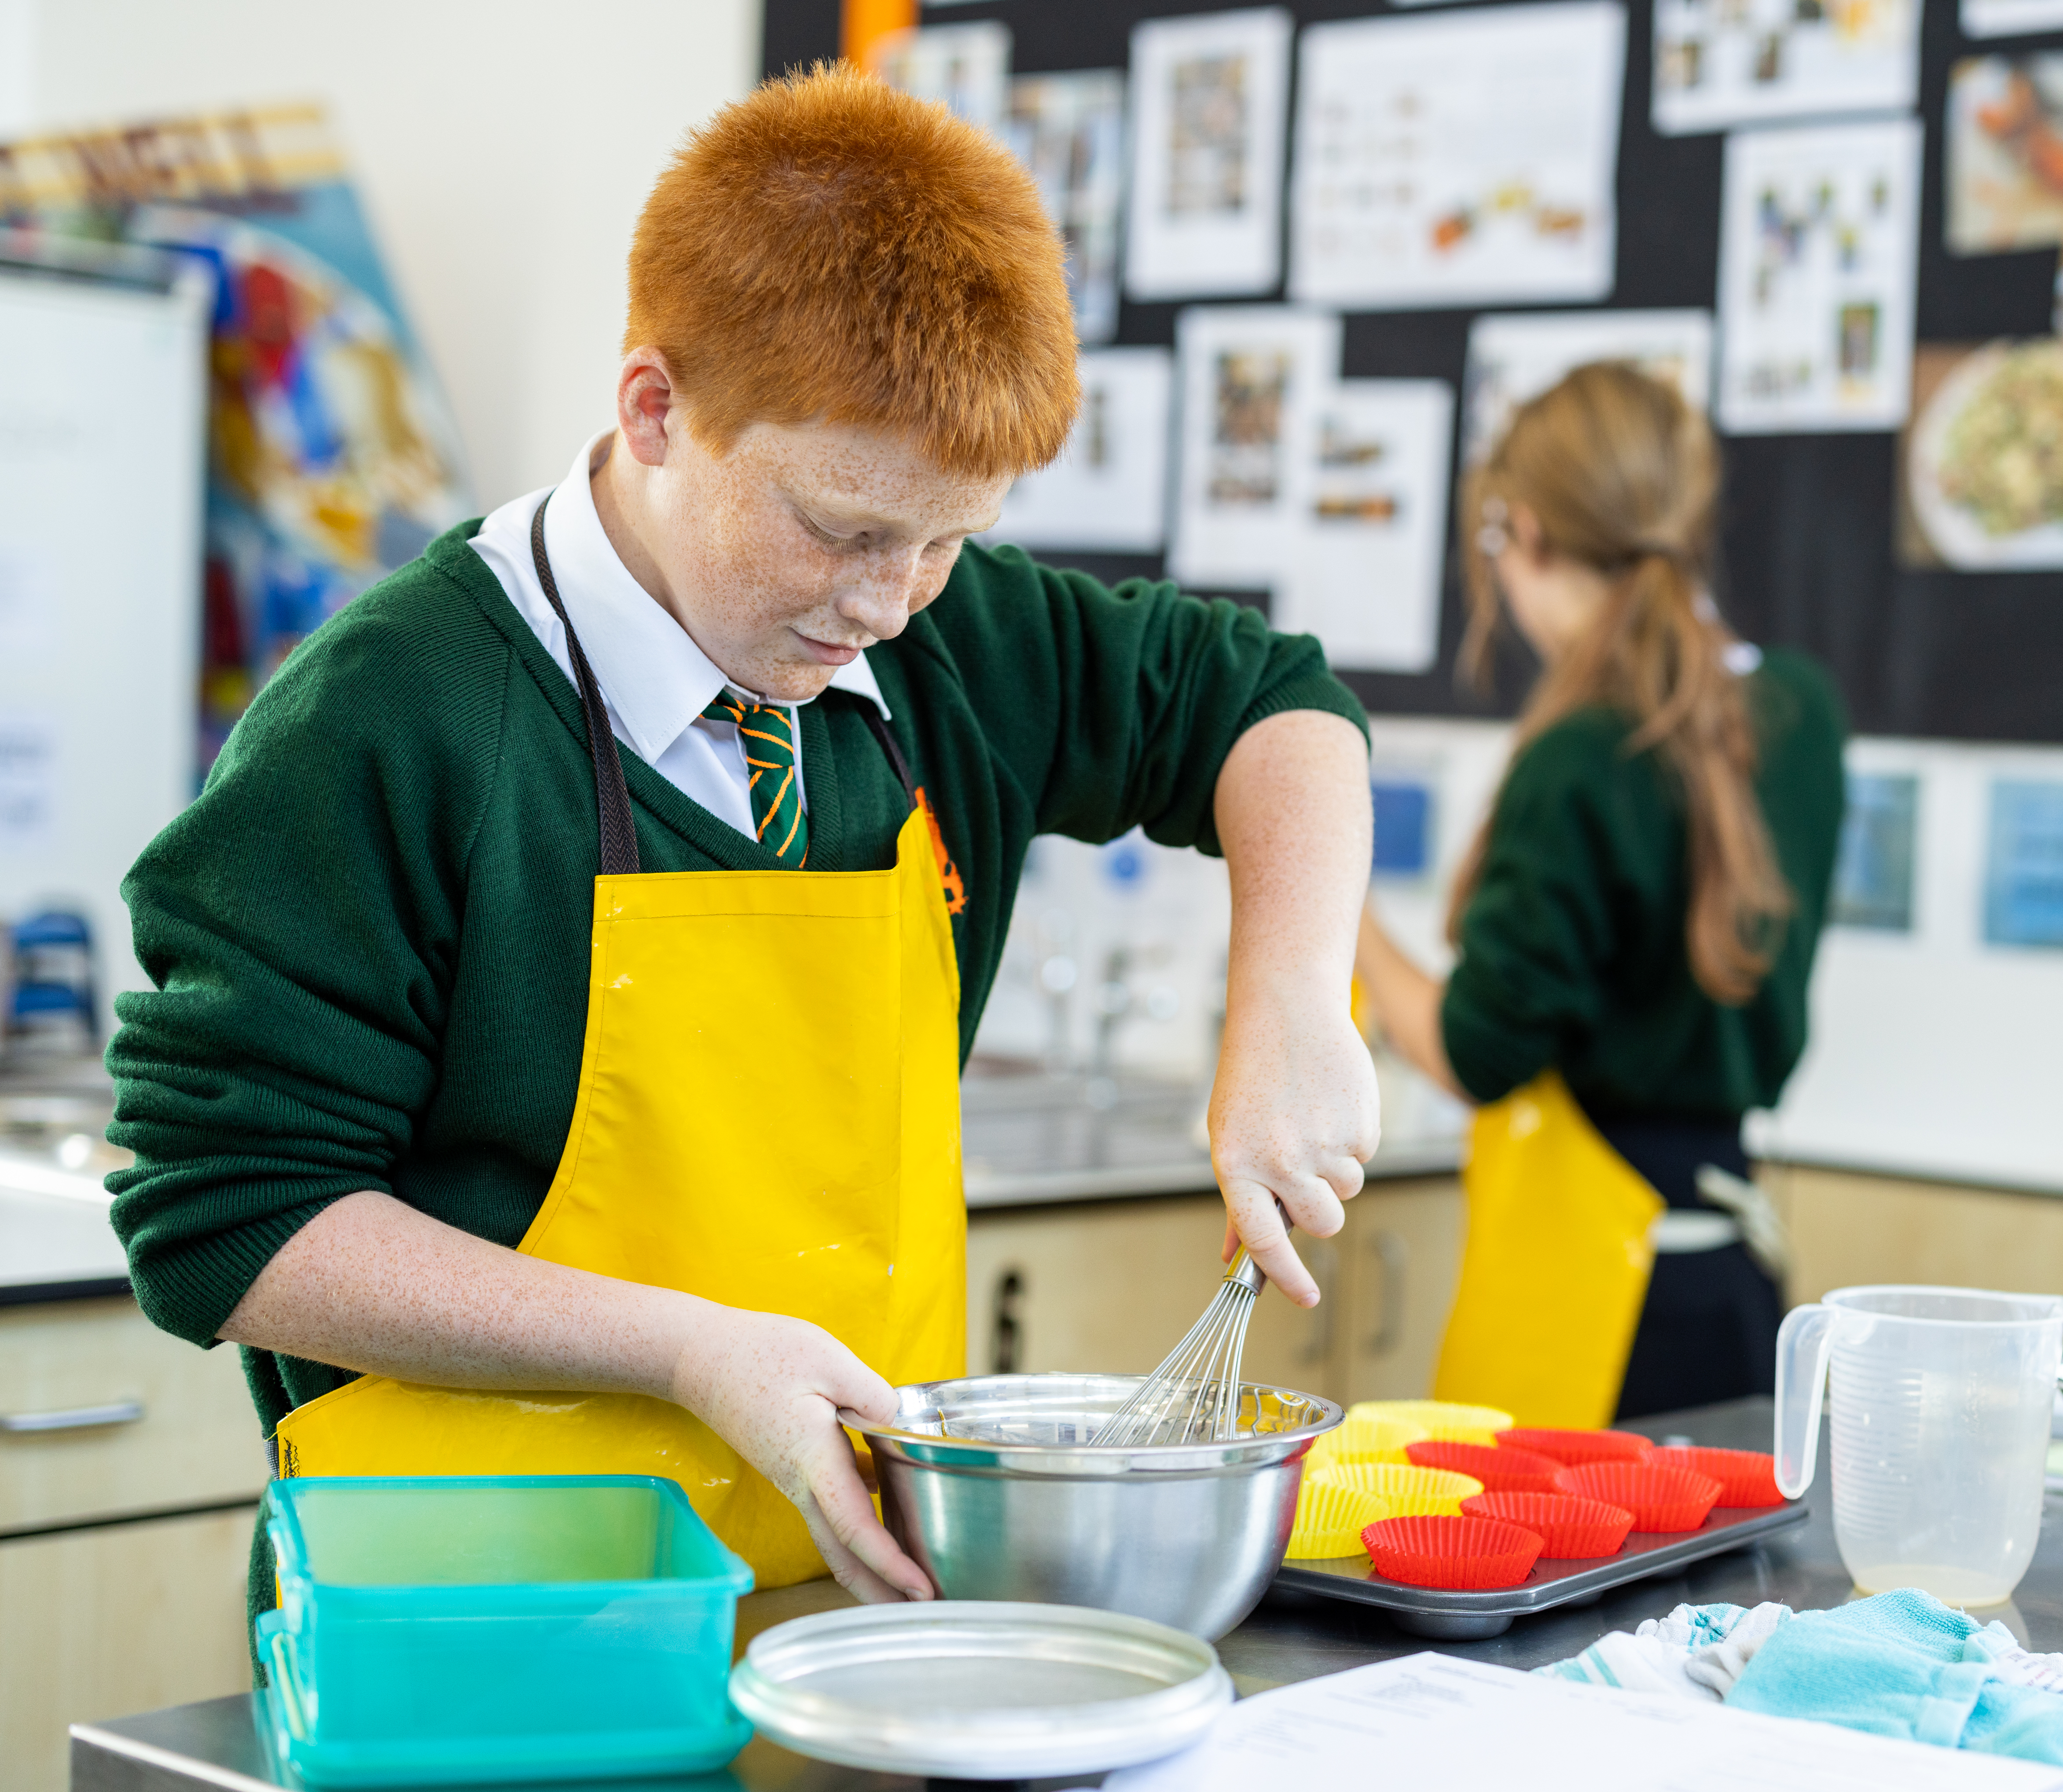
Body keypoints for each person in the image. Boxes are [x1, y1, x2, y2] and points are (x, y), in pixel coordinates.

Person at [105, 69, 1377, 1622]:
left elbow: (1269, 704)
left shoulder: (943, 641)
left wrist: (1293, 1003)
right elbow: (224, 1218)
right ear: (655, 408)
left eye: (950, 538)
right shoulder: (394, 717)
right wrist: (691, 1350)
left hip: (855, 1606)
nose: (889, 603)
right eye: (843, 529)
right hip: (477, 1628)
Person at [1355, 363, 1845, 1426]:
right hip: (1733, 1287)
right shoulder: (1801, 709)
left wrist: (1338, 911)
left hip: (1601, 1310)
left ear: (1525, 531)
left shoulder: (1579, 756)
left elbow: (1477, 1052)